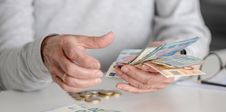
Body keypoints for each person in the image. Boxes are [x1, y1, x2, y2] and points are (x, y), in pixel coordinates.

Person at [0, 0, 211, 93]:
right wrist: (43, 55)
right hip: (36, 110)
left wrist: (173, 61)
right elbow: (5, 70)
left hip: (142, 107)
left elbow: (189, 29)